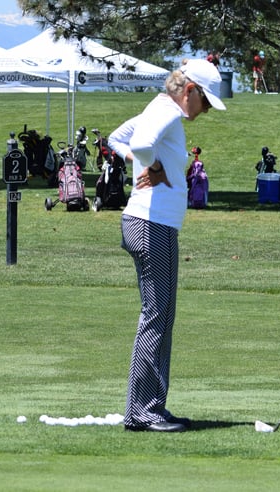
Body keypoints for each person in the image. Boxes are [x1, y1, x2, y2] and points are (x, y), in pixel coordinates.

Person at [108, 59, 226, 433]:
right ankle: (143, 412)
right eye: (205, 102)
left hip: (152, 224)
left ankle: (150, 406)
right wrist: (153, 167)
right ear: (190, 90)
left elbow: (116, 139)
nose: (205, 111)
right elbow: (139, 143)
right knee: (156, 317)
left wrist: (146, 162)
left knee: (159, 316)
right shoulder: (167, 112)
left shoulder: (159, 110)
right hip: (151, 225)